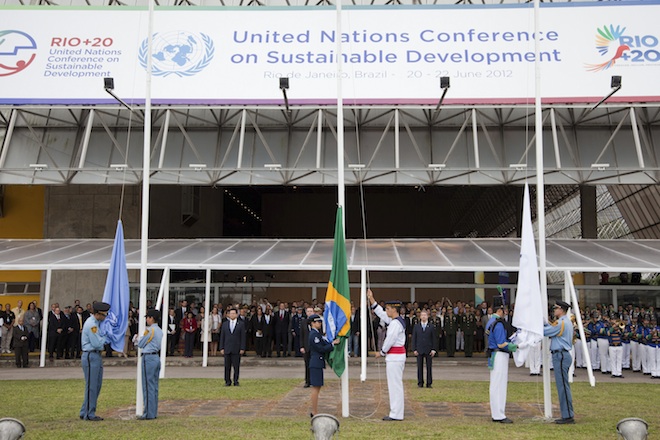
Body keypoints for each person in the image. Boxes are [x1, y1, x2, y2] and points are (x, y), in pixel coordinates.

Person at [367, 289, 406, 421]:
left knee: (395, 386)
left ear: (394, 310)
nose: (386, 311)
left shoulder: (395, 324)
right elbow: (382, 314)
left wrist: (382, 352)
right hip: (395, 357)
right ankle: (396, 412)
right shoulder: (395, 321)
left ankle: (396, 413)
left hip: (395, 357)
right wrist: (372, 300)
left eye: (388, 308)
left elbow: (389, 340)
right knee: (395, 385)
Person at [543, 300, 575, 425]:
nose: (554, 310)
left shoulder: (562, 323)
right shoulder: (563, 322)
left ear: (561, 309)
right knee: (562, 385)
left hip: (561, 355)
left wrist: (538, 326)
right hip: (561, 355)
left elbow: (548, 332)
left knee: (562, 386)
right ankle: (567, 414)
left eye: (556, 308)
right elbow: (551, 328)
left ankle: (567, 415)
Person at [80, 301, 110, 421]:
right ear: (98, 314)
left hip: (95, 356)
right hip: (91, 355)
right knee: (92, 386)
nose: (105, 317)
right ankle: (89, 413)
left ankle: (85, 410)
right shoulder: (91, 325)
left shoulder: (95, 323)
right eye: (104, 315)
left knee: (96, 385)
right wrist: (105, 338)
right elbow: (97, 344)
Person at [487, 304, 517, 424]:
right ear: (499, 311)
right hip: (499, 354)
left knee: (496, 384)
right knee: (499, 385)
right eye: (504, 310)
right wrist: (515, 346)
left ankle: (498, 413)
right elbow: (501, 343)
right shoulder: (498, 323)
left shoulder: (492, 321)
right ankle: (498, 414)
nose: (505, 313)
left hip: (496, 355)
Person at [308, 314, 339, 417]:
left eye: (320, 322)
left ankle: (315, 410)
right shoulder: (314, 335)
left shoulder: (317, 334)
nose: (320, 323)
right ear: (312, 323)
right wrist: (332, 344)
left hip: (317, 362)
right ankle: (314, 411)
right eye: (317, 322)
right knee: (316, 388)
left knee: (318, 387)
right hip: (316, 362)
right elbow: (320, 348)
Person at [137, 309, 163, 420]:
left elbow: (141, 344)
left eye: (147, 317)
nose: (147, 319)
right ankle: (153, 411)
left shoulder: (150, 330)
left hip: (148, 358)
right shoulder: (159, 330)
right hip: (156, 357)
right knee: (154, 386)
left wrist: (140, 337)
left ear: (151, 318)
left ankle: (148, 413)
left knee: (148, 386)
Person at [219, 308, 246, 386]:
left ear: (237, 315)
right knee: (227, 367)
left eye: (234, 313)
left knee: (236, 366)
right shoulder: (225, 324)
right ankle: (227, 381)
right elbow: (222, 337)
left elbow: (243, 337)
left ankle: (236, 381)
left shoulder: (241, 324)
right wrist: (221, 348)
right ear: (228, 315)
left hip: (236, 349)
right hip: (227, 348)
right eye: (231, 313)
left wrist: (242, 348)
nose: (232, 315)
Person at [412, 310, 438, 388]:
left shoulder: (431, 326)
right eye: (422, 315)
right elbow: (414, 338)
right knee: (419, 367)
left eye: (425, 315)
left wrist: (433, 349)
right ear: (420, 317)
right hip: (419, 349)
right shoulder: (416, 326)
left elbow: (434, 339)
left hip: (428, 349)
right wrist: (414, 349)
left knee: (429, 367)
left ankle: (429, 383)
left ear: (427, 316)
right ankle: (420, 382)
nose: (423, 317)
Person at [300, 306, 314, 387]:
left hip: (314, 347)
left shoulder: (316, 321)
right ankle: (307, 381)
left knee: (314, 364)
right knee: (307, 364)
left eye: (311, 311)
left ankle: (314, 380)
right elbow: (301, 335)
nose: (309, 312)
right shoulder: (303, 322)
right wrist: (302, 346)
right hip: (306, 347)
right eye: (308, 311)